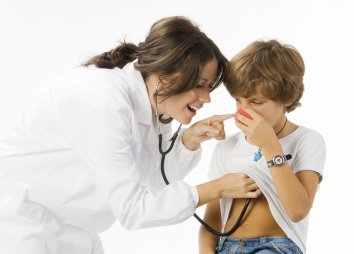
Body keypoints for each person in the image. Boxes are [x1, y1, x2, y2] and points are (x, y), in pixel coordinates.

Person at [0, 16, 259, 254]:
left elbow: (152, 184)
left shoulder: (152, 104)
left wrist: (188, 142)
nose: (207, 98)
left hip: (76, 232)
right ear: (164, 78)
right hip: (24, 225)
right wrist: (217, 188)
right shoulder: (101, 100)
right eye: (200, 85)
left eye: (209, 86)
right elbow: (133, 210)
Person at [199, 40, 326, 254]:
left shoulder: (306, 140)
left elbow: (297, 211)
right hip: (227, 247)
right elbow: (211, 220)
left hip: (275, 247)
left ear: (287, 98)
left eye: (256, 102)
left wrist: (269, 145)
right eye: (239, 101)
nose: (244, 112)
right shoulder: (227, 147)